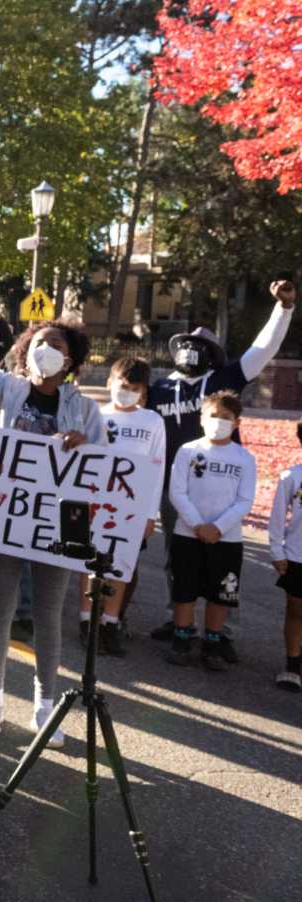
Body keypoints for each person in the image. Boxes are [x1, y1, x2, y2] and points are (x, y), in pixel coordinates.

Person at [0, 275, 102, 747]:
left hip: (58, 522)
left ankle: (45, 705)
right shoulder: (3, 391)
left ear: (69, 361)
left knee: (49, 615)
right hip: (4, 517)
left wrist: (84, 446)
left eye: (54, 344)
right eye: (38, 342)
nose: (43, 349)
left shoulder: (85, 410)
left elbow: (106, 469)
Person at [148, 278, 295, 641]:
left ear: (213, 352)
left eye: (198, 346)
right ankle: (177, 618)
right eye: (185, 344)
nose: (189, 350)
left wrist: (283, 309)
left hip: (223, 485)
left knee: (223, 559)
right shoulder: (162, 387)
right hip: (176, 487)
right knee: (176, 556)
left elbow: (263, 349)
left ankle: (220, 629)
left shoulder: (226, 377)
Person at [166, 392, 255, 671]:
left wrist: (217, 527)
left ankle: (212, 642)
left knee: (221, 593)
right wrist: (197, 524)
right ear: (202, 419)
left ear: (237, 422)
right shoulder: (188, 451)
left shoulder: (244, 458)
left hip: (226, 539)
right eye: (213, 416)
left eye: (226, 418)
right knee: (184, 590)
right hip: (187, 534)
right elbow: (177, 492)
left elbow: (245, 500)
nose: (219, 422)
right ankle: (182, 638)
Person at [82, 356, 165, 655]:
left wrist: (150, 514)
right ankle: (87, 620)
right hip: (95, 502)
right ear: (109, 383)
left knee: (121, 566)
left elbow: (157, 467)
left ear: (143, 391)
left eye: (134, 387)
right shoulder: (96, 415)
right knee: (89, 563)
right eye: (122, 385)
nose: (126, 391)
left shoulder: (153, 421)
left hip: (132, 506)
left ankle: (110, 621)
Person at [267, 421, 302, 692]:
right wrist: (277, 551)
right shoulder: (291, 477)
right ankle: (292, 664)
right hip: (296, 555)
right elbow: (278, 518)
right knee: (295, 609)